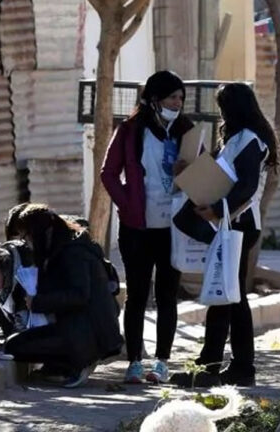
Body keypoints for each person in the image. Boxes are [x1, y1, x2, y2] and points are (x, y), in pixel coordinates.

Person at [170, 82, 279, 387]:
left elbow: (244, 186)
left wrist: (218, 209)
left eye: (223, 107)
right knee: (226, 296)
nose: (221, 114)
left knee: (229, 296)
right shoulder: (237, 139)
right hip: (230, 223)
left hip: (238, 225)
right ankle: (221, 366)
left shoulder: (249, 140)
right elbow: (221, 175)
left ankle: (228, 366)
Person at [100, 70, 194, 384]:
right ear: (154, 99)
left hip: (173, 227)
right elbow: (108, 173)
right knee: (138, 295)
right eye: (172, 97)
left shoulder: (186, 131)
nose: (177, 103)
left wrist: (190, 172)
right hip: (137, 226)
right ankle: (135, 362)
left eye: (180, 98)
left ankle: (162, 362)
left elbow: (202, 170)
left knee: (167, 295)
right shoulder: (129, 130)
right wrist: (126, 203)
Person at [4, 203, 124, 388]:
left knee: (17, 347)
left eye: (26, 236)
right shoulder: (61, 247)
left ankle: (75, 364)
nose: (26, 242)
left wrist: (38, 302)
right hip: (76, 328)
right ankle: (60, 365)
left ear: (39, 232)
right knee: (13, 344)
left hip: (86, 332)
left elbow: (79, 295)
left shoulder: (73, 252)